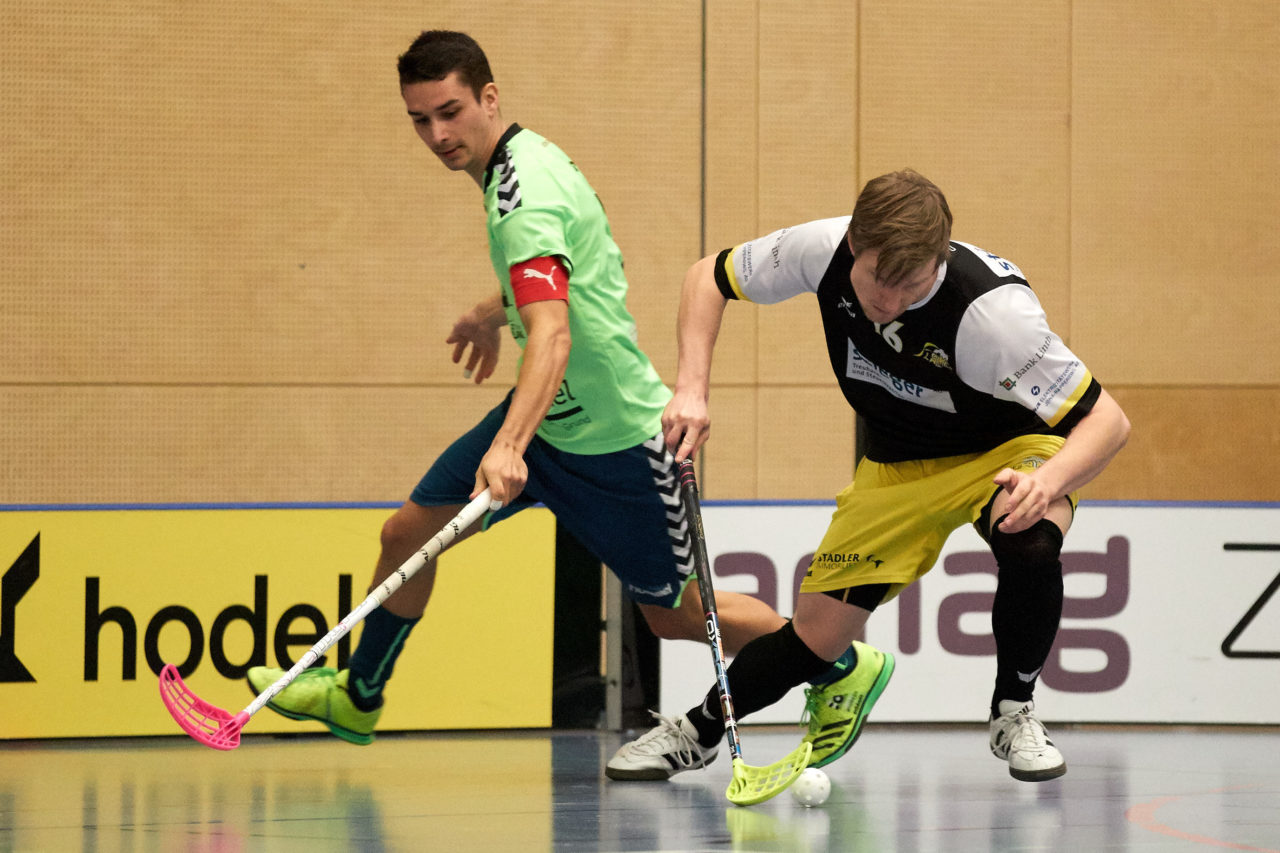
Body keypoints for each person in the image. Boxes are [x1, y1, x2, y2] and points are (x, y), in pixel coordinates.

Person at [244, 29, 805, 747]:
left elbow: (555, 334)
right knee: (405, 534)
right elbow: (573, 271)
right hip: (549, 418)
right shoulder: (525, 159)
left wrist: (510, 446)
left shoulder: (522, 195)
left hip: (613, 436)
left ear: (489, 97)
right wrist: (492, 310)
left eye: (450, 112)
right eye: (419, 119)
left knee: (676, 614)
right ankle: (359, 696)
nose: (437, 134)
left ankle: (831, 657)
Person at [605, 169, 1130, 783]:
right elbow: (708, 278)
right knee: (814, 639)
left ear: (938, 261)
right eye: (879, 279)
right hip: (895, 468)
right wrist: (691, 386)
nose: (889, 302)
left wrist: (1049, 479)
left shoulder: (996, 319)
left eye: (911, 285)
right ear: (855, 242)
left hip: (1007, 450)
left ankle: (1013, 712)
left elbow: (1108, 421)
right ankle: (697, 732)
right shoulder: (820, 249)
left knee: (1031, 539)